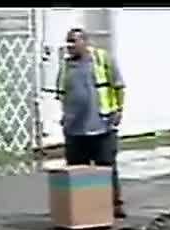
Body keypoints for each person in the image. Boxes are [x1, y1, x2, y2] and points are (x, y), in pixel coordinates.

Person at [56, 28, 127, 219]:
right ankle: (84, 208)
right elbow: (62, 93)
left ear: (85, 42)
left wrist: (119, 109)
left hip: (102, 124)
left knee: (106, 168)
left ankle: (114, 205)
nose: (70, 46)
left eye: (73, 42)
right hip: (75, 128)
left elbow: (118, 86)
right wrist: (65, 116)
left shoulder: (102, 60)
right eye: (68, 42)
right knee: (79, 170)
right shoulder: (65, 66)